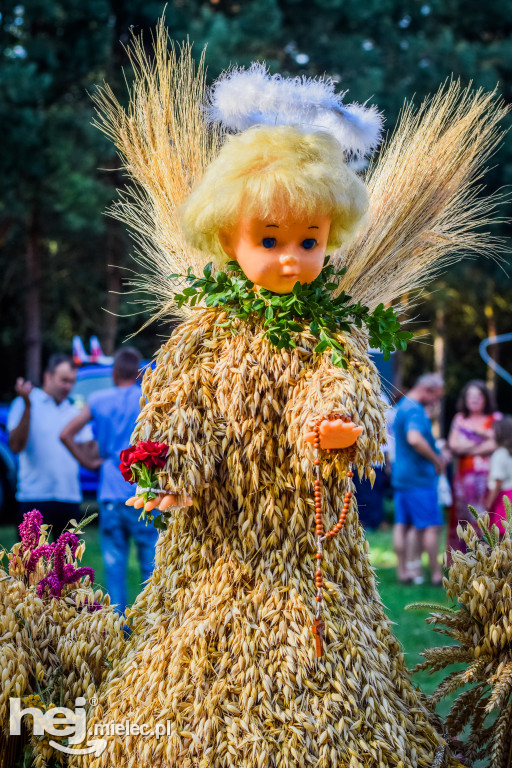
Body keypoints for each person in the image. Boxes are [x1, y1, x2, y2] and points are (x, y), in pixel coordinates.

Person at [60, 347, 158, 614]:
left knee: (115, 566)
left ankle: (119, 627)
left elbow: (66, 433)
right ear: (139, 373)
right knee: (151, 565)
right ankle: (151, 625)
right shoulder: (149, 398)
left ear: (114, 372)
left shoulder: (98, 400)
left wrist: (88, 463)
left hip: (111, 492)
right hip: (145, 491)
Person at [7, 354, 94, 538]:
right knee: (31, 566)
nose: (68, 387)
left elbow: (89, 452)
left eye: (72, 381)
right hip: (33, 497)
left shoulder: (74, 411)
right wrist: (28, 406)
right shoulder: (25, 402)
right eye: (64, 380)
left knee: (69, 566)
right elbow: (15, 446)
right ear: (48, 377)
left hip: (69, 498)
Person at [392, 373, 446, 585]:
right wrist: (437, 460)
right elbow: (414, 439)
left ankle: (403, 571)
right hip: (419, 478)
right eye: (436, 396)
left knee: (402, 524)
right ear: (426, 390)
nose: (436, 401)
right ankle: (435, 574)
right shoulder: (414, 409)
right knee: (431, 525)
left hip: (402, 475)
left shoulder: (404, 405)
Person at [446, 380, 498, 557]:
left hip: (487, 478)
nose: (474, 400)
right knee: (462, 519)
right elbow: (454, 445)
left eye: (478, 396)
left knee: (485, 517)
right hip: (462, 477)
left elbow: (494, 445)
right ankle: (461, 559)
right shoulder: (459, 418)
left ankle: (486, 559)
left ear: (485, 398)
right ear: (465, 399)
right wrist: (480, 442)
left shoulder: (495, 419)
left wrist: (466, 445)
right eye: (470, 396)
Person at [486, 416, 512, 534]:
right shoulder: (508, 453)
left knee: (501, 536)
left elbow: (498, 483)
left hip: (502, 500)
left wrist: (488, 503)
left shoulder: (499, 454)